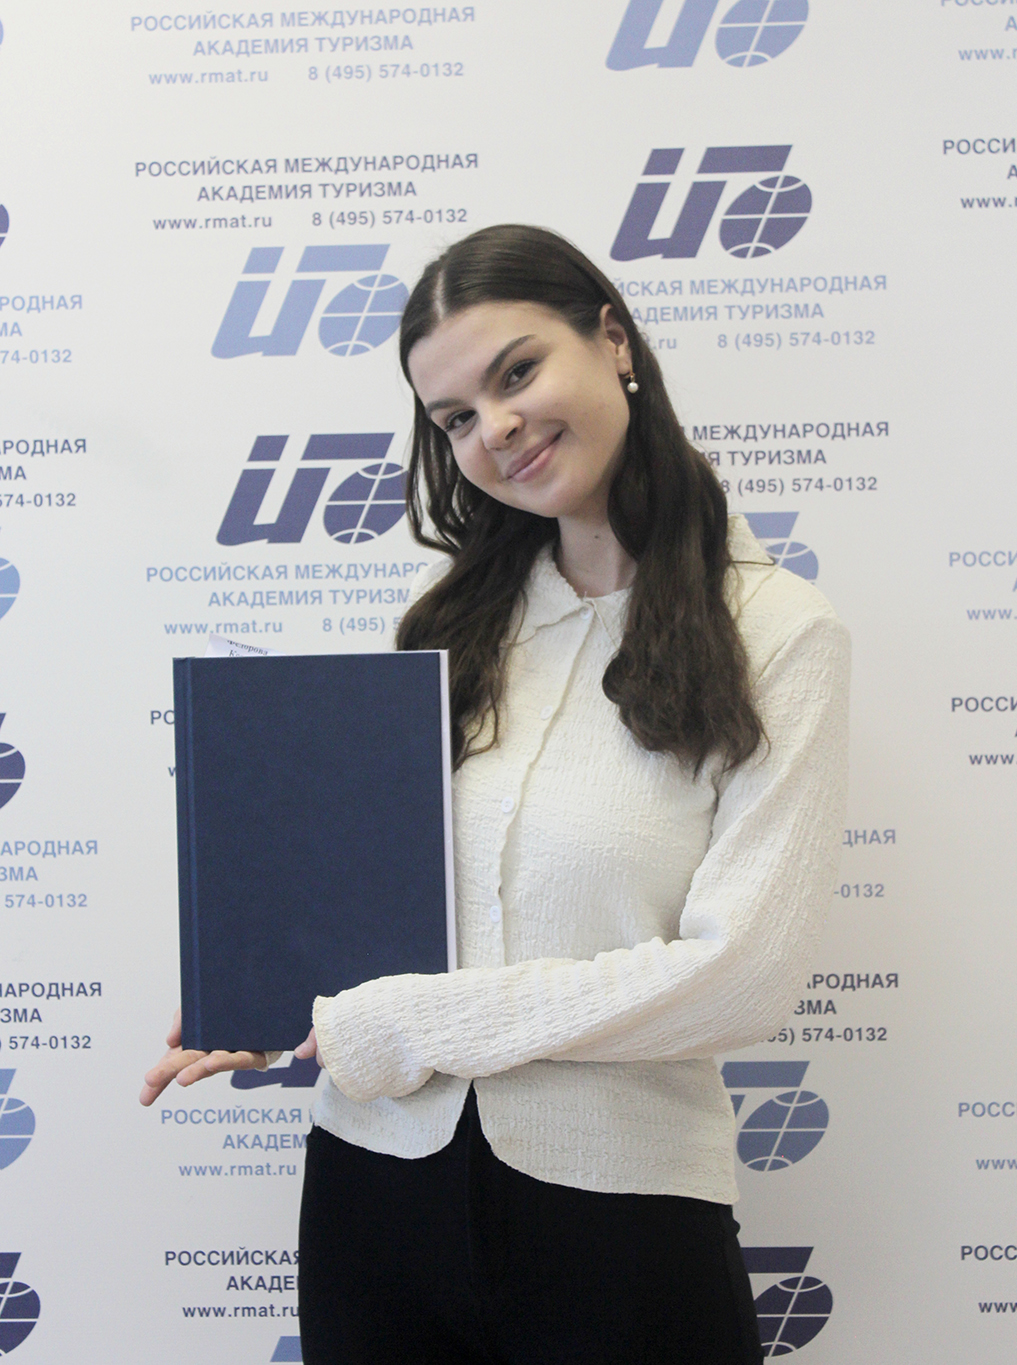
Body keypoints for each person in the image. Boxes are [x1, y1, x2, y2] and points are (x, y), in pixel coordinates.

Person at [141, 224, 850, 1364]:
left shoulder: (779, 632)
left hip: (622, 1215)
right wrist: (268, 993)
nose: (496, 428)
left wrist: (416, 1023)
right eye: (456, 418)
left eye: (517, 373)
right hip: (373, 1195)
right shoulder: (447, 626)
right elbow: (385, 907)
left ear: (612, 339)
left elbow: (741, 977)